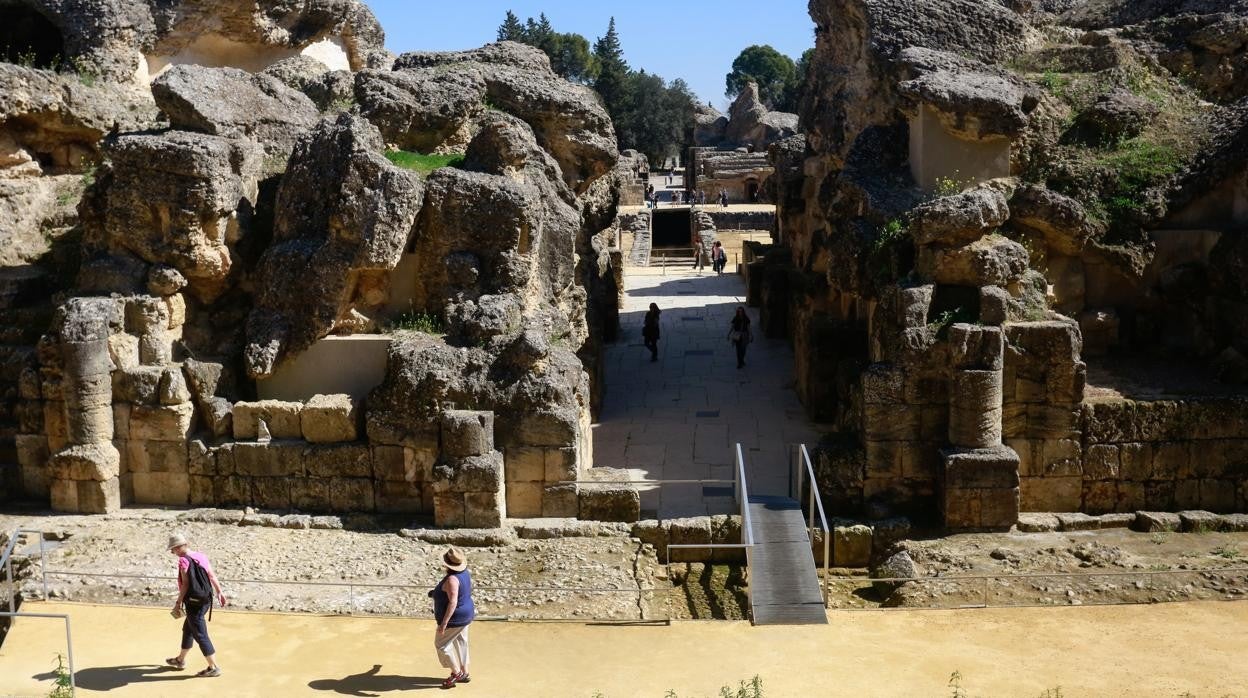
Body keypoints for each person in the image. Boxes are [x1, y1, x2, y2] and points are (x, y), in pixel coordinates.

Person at [166, 533, 227, 677]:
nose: (172, 552)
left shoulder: (183, 561)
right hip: (205, 600)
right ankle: (180, 660)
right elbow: (211, 575)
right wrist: (219, 592)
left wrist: (178, 603)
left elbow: (186, 584)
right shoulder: (201, 556)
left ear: (179, 547)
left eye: (173, 549)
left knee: (200, 634)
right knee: (188, 628)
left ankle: (213, 667)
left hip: (193, 602)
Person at [430, 547, 475, 689]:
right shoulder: (464, 573)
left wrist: (444, 623)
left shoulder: (451, 579)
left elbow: (453, 601)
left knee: (441, 644)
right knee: (461, 642)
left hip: (456, 618)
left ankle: (456, 673)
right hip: (467, 613)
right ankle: (465, 672)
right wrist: (435, 593)